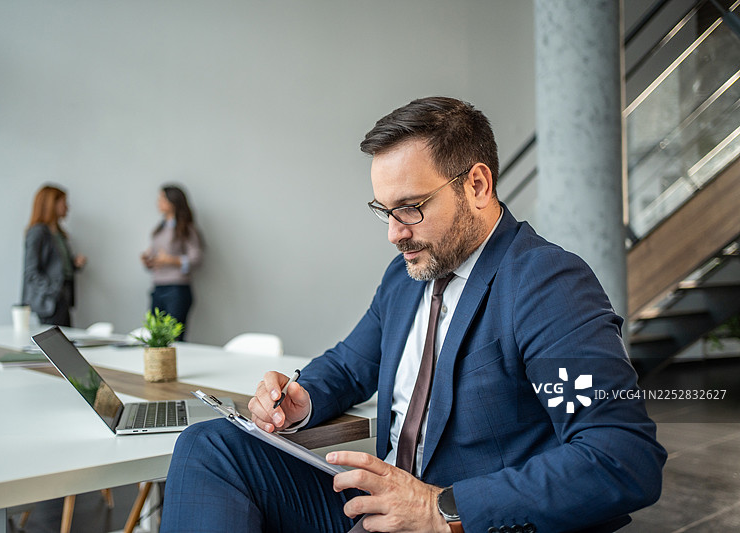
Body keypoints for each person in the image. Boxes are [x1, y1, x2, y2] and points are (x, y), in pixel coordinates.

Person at [160, 97, 666, 533]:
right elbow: (350, 363)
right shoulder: (406, 277)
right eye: (385, 211)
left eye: (411, 207)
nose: (394, 232)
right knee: (210, 445)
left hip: (456, 518)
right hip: (381, 508)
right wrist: (299, 398)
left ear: (477, 185)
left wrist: (439, 508)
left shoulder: (546, 283)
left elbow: (621, 457)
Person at [141, 185, 204, 339]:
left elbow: (197, 258)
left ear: (173, 202)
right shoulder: (160, 229)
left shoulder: (186, 229)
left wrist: (171, 260)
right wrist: (149, 261)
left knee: (174, 339)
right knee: (156, 338)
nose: (158, 202)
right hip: (158, 287)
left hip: (176, 289)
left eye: (162, 199)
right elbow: (157, 256)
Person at [22, 184, 87, 327]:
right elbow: (31, 272)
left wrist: (74, 264)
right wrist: (53, 289)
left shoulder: (59, 234)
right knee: (53, 342)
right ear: (51, 204)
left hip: (63, 299)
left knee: (65, 341)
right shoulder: (38, 232)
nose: (67, 207)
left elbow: (59, 267)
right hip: (49, 302)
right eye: (64, 203)